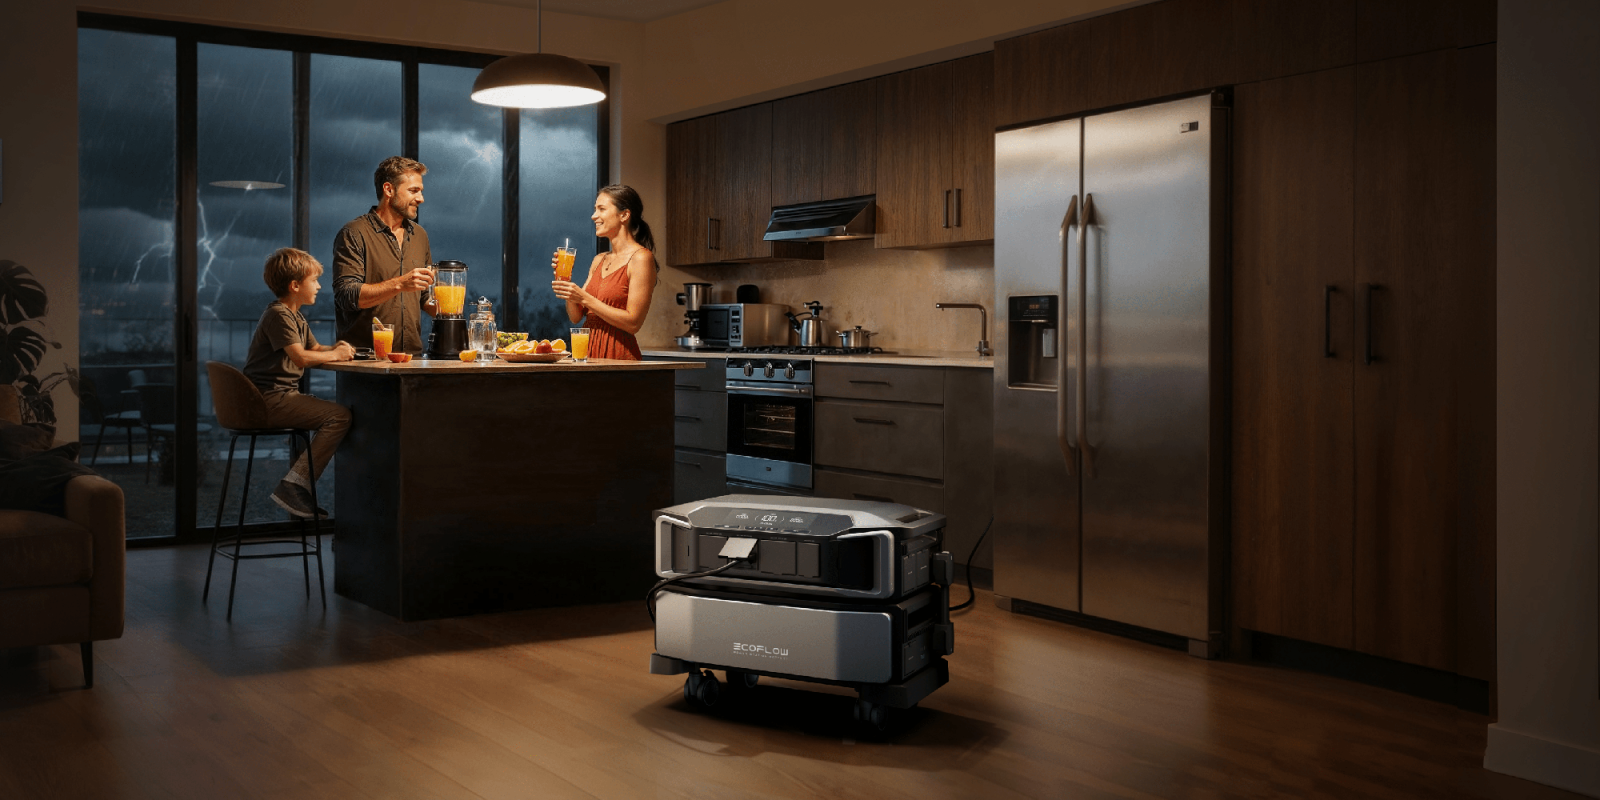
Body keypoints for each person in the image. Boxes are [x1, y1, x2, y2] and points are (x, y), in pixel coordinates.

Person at [243, 248, 355, 520]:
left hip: (277, 397)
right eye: (314, 280)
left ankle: (296, 484)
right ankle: (294, 485)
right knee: (339, 417)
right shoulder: (279, 315)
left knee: (334, 413)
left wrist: (336, 348)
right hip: (267, 400)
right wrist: (334, 355)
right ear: (295, 286)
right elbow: (301, 357)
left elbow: (315, 348)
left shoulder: (296, 316)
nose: (318, 286)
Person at [332, 156, 438, 352]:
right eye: (413, 191)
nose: (421, 199)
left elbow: (425, 297)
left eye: (421, 191)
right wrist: (399, 283)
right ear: (388, 189)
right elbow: (347, 296)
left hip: (410, 360)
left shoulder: (420, 235)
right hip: (365, 363)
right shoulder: (354, 233)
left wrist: (449, 307)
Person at [551, 185, 657, 360]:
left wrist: (584, 298)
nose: (594, 216)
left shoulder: (641, 258)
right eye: (595, 209)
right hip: (587, 352)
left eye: (601, 209)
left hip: (618, 355)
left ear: (624, 215)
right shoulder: (599, 260)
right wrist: (565, 280)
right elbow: (576, 316)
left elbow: (633, 323)